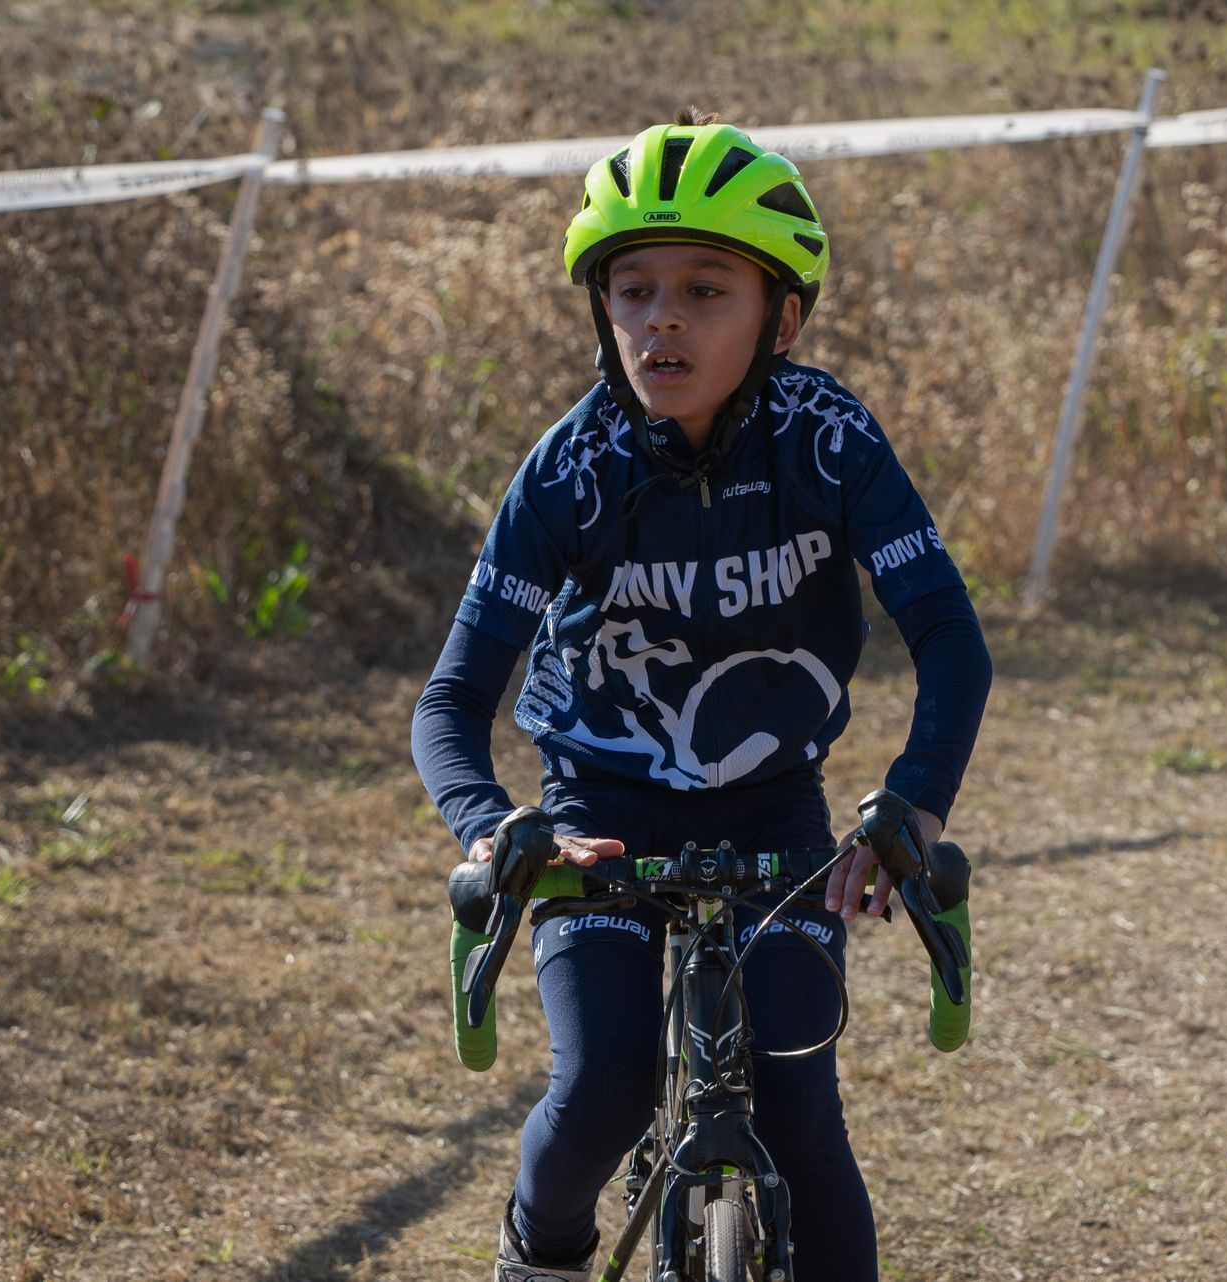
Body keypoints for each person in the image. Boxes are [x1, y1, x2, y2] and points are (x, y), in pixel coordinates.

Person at [411, 111, 991, 1282]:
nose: (660, 317)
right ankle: (538, 1257)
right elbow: (453, 700)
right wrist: (498, 830)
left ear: (780, 317)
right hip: (600, 813)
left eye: (704, 288)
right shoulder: (569, 468)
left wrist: (915, 806)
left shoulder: (831, 441)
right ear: (600, 310)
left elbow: (952, 643)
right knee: (607, 1083)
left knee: (800, 1109)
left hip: (774, 814)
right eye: (632, 287)